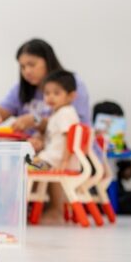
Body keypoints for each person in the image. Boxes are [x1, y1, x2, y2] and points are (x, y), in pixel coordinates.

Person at [0, 39, 90, 150]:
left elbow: (75, 128)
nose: (27, 71)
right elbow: (2, 110)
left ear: (48, 61)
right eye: (22, 67)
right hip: (36, 154)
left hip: (69, 154)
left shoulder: (73, 84)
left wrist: (36, 121)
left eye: (32, 65)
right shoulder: (21, 88)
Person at [33, 70, 81, 223]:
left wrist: (65, 162)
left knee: (24, 166)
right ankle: (33, 206)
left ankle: (48, 208)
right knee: (27, 165)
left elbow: (70, 138)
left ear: (71, 96)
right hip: (52, 158)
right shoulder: (59, 113)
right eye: (47, 93)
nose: (50, 97)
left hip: (55, 160)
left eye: (56, 93)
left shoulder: (65, 113)